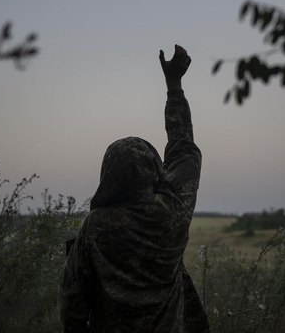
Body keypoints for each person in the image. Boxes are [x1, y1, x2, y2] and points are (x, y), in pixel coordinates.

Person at [60, 45, 210, 333]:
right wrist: (174, 86)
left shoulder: (94, 227)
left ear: (108, 174)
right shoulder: (172, 213)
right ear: (154, 171)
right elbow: (183, 150)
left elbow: (72, 304)